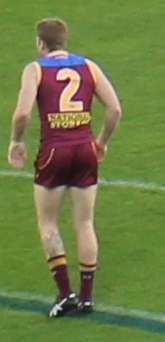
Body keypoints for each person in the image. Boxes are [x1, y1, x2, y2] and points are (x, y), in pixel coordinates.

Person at [8, 17, 122, 317]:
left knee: (48, 223)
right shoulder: (89, 66)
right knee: (84, 222)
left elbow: (22, 114)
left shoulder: (35, 69)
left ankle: (64, 293)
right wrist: (101, 141)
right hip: (84, 149)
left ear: (40, 42)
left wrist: (15, 141)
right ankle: (86, 297)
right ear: (65, 40)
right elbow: (114, 108)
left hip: (53, 152)